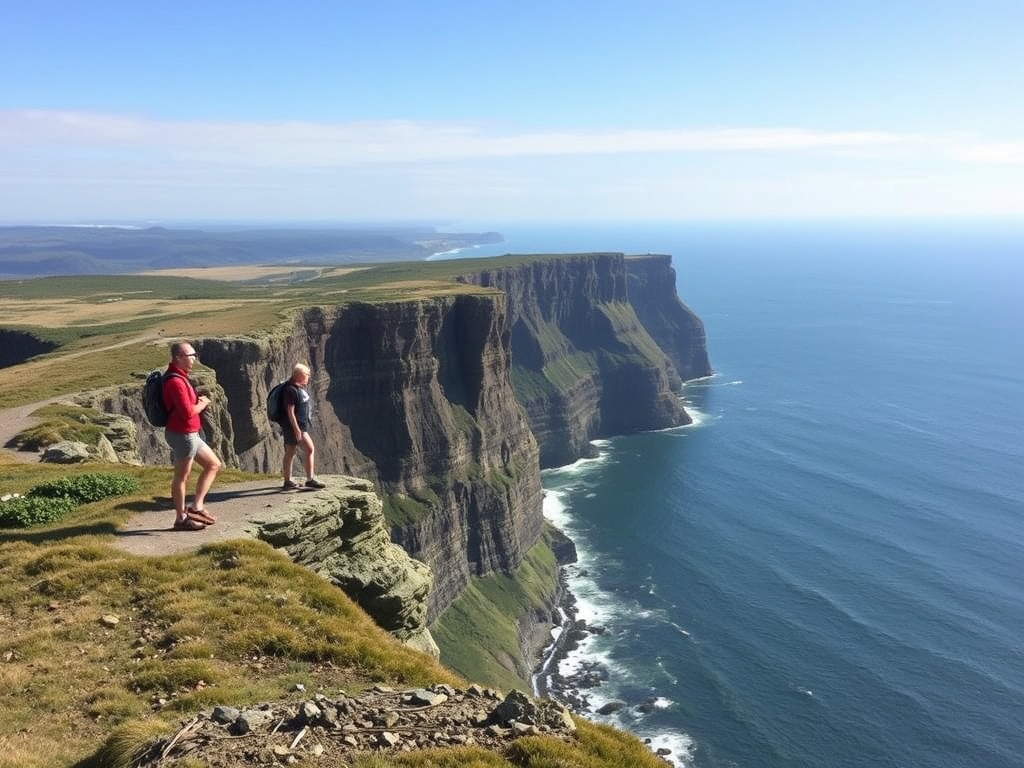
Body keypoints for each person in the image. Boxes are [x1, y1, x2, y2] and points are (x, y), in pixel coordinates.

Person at [162, 341, 222, 530]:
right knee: (182, 477)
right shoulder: (175, 382)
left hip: (190, 433)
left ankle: (196, 507)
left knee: (213, 464)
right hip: (183, 435)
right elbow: (187, 412)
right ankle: (181, 519)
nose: (194, 359)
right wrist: (203, 404)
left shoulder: (180, 377)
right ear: (179, 358)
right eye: (191, 356)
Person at [280, 362, 326, 490]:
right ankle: (308, 479)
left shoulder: (296, 387)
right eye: (306, 374)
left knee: (290, 452)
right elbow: (290, 410)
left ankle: (288, 481)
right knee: (306, 449)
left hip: (298, 428)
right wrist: (296, 430)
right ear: (298, 375)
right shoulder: (290, 390)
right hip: (295, 428)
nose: (308, 376)